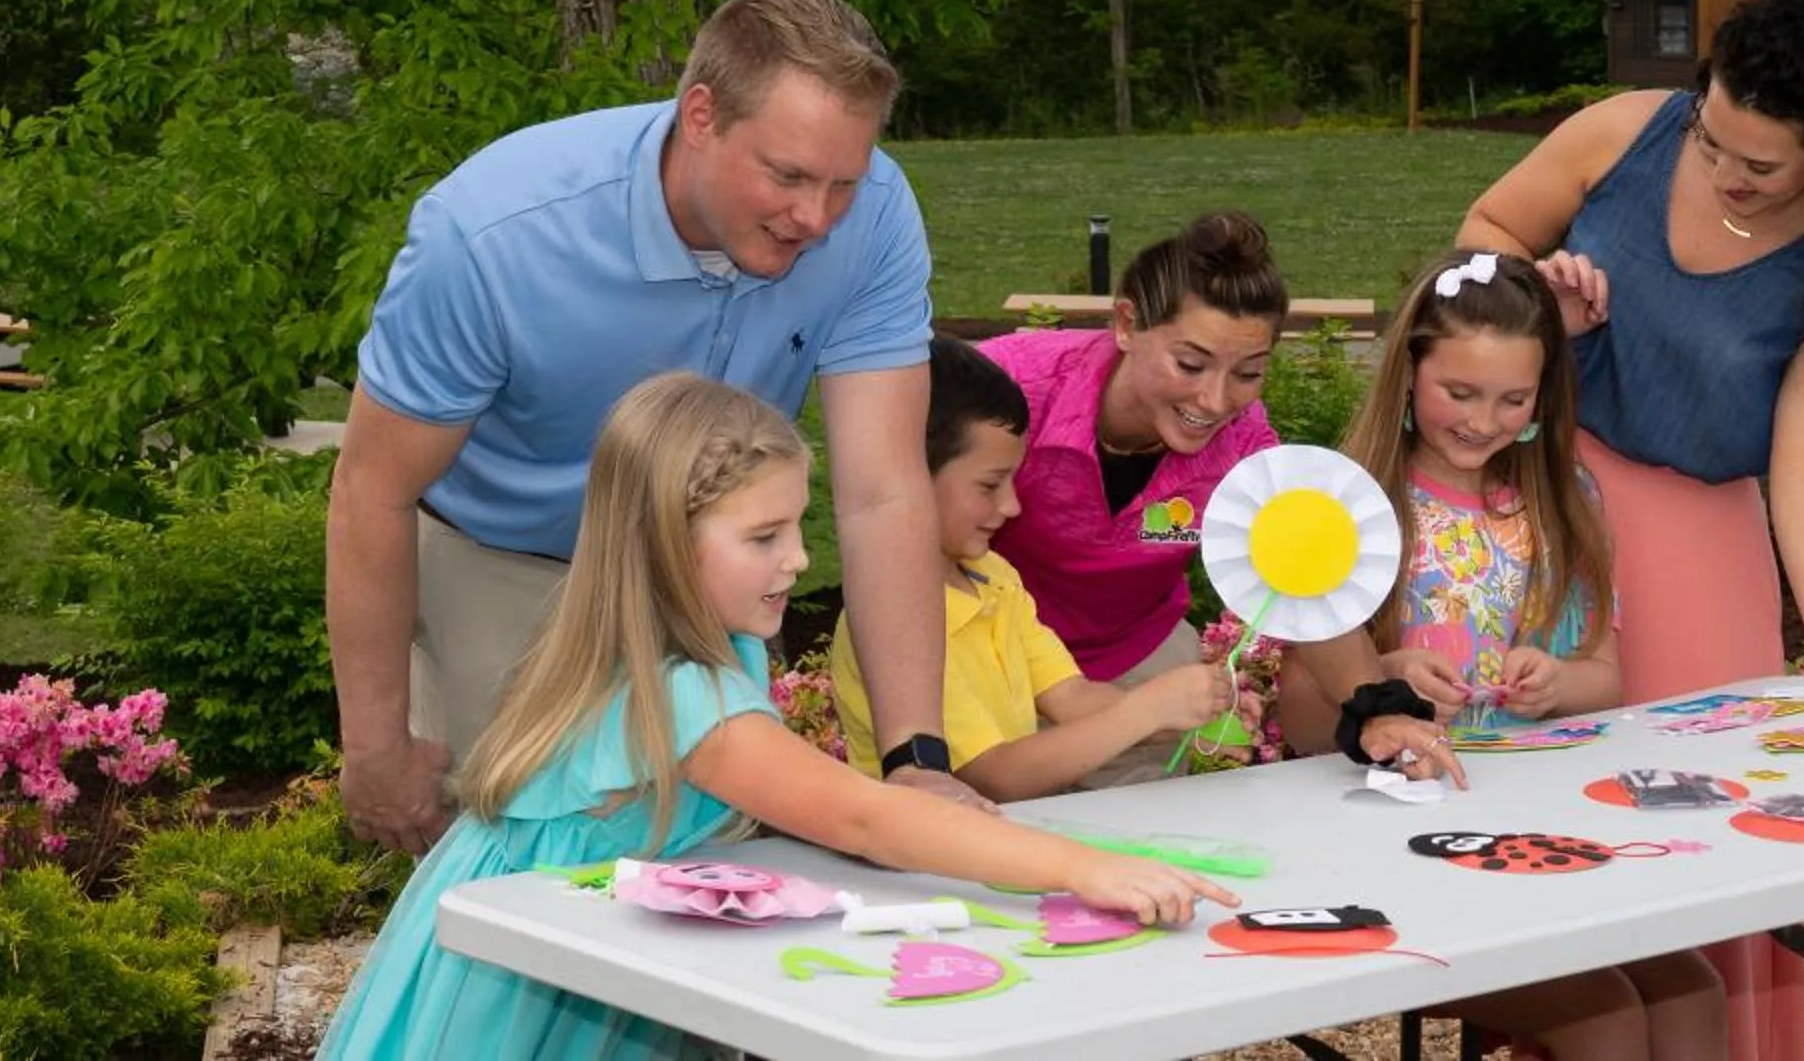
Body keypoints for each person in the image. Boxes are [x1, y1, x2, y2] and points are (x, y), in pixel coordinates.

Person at [318, 374, 1236, 1061]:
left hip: (587, 949)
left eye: (799, 527)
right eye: (763, 538)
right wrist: (1084, 868)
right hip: (522, 997)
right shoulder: (687, 691)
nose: (798, 559)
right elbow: (863, 813)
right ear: (667, 544)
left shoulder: (692, 645)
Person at [328, 0, 969, 859]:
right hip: (502, 560)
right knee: (527, 874)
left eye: (843, 183)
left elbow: (884, 493)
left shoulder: (877, 216)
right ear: (699, 115)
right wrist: (376, 749)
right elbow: (372, 491)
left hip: (701, 573)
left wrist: (915, 760)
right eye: (785, 175)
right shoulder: (490, 234)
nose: (816, 218)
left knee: (722, 873)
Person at [1456, 0, 1804, 1061]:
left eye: (1759, 162)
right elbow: (1478, 236)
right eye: (1711, 136)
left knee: (1696, 838)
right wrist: (1532, 289)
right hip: (1541, 514)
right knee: (1544, 814)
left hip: (1702, 553)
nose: (1725, 169)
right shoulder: (1621, 131)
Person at [1279, 250, 1724, 1061]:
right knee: (1607, 1018)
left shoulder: (1562, 499)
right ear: (1409, 372)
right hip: (1403, 852)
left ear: (1543, 395)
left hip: (1541, 831)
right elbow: (1300, 720)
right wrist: (1380, 681)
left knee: (1695, 985)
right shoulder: (1349, 506)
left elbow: (1604, 679)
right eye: (1460, 392)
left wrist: (1556, 684)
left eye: (1513, 398)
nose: (1484, 420)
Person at [827, 337, 1236, 800]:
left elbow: (1071, 698)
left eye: (1012, 481)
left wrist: (1191, 718)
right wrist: (1146, 712)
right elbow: (996, 773)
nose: (1011, 505)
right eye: (990, 484)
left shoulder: (995, 578)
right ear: (908, 475)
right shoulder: (890, 620)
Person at [981, 210, 1287, 786]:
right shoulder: (1007, 388)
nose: (1216, 400)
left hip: (1134, 659)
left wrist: (1375, 701)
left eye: (1248, 373)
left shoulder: (1248, 444)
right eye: (1190, 363)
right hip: (988, 653)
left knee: (1152, 840)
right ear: (1126, 323)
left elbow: (1308, 573)